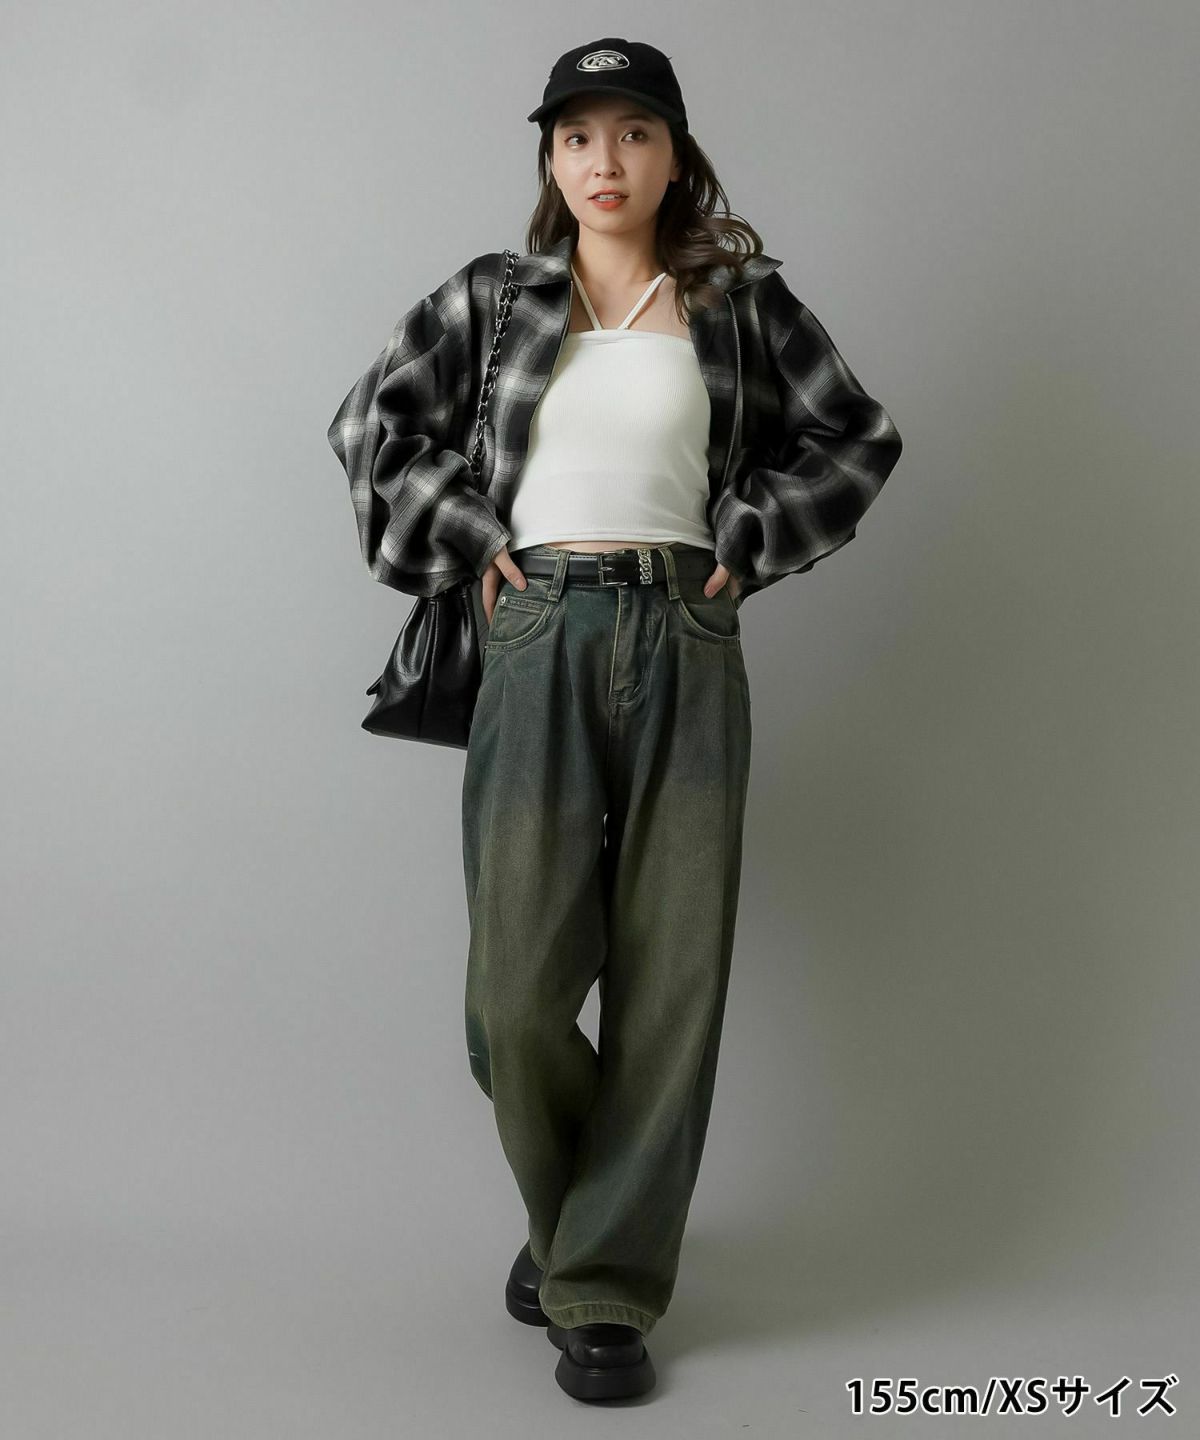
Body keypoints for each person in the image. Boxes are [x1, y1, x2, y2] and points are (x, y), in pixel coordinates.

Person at [328, 37, 903, 1403]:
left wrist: (748, 540)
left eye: (634, 134)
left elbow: (855, 437)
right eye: (578, 136)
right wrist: (474, 535)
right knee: (514, 998)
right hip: (537, 629)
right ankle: (583, 1219)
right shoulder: (495, 299)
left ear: (675, 154)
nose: (605, 162)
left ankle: (601, 1284)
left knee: (671, 983)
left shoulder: (738, 303)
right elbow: (372, 428)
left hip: (687, 635)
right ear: (550, 157)